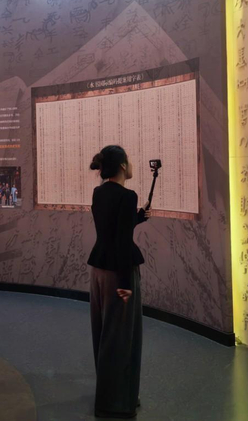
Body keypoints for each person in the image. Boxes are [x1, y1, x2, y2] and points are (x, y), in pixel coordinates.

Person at [88, 145, 150, 419]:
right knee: (122, 338)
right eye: (130, 160)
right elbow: (122, 241)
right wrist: (125, 283)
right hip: (118, 273)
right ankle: (116, 403)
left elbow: (112, 228)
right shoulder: (127, 196)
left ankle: (108, 395)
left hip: (98, 272)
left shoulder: (99, 192)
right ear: (123, 165)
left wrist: (137, 217)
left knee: (104, 333)